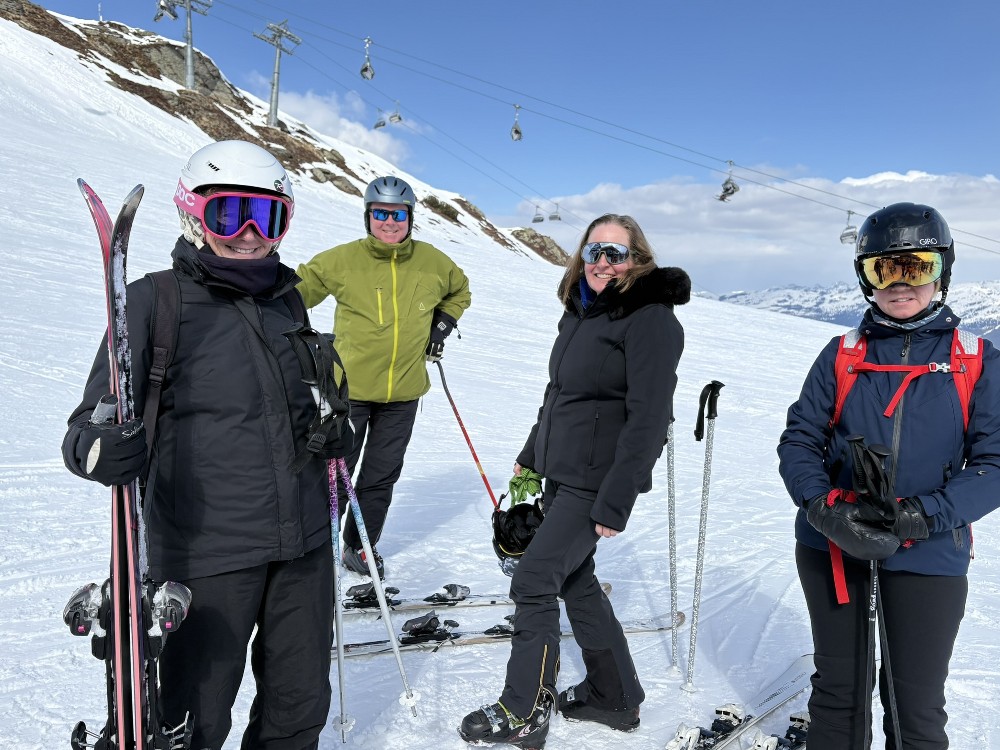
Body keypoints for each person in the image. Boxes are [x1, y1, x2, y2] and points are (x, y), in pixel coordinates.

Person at [62, 140, 350, 750]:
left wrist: (329, 424)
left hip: (302, 546)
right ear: (193, 213)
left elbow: (291, 399)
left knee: (299, 707)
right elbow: (87, 424)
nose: (249, 234)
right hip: (206, 555)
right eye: (230, 214)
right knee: (196, 717)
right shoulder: (153, 300)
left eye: (266, 216)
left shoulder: (287, 300)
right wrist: (98, 446)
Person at [459, 214, 689, 748]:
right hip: (562, 472)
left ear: (637, 260)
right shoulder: (582, 313)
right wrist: (531, 456)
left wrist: (618, 499)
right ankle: (614, 695)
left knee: (534, 580)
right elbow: (559, 394)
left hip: (597, 481)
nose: (603, 262)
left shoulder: (651, 320)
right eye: (594, 251)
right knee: (574, 579)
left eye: (616, 253)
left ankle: (523, 710)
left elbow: (650, 419)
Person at [777, 203, 1000, 749]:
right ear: (866, 279)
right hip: (834, 542)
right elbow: (800, 440)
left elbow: (995, 463)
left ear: (942, 272)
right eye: (884, 269)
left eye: (917, 267)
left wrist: (920, 516)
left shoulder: (977, 360)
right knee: (839, 693)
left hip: (929, 550)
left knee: (914, 705)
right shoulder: (842, 354)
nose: (900, 284)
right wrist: (823, 507)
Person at [296, 175, 471, 579]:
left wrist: (442, 323)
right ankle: (315, 545)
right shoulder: (343, 260)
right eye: (380, 213)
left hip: (404, 393)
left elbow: (460, 290)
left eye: (397, 214)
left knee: (381, 475)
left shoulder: (432, 261)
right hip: (349, 393)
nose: (389, 222)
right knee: (335, 470)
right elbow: (294, 293)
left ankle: (360, 545)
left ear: (410, 217)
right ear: (367, 216)